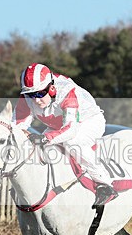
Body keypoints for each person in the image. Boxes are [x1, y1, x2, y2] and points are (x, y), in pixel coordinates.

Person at [12, 63, 118, 206]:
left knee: (72, 143)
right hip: (59, 125)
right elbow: (16, 129)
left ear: (51, 88)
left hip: (89, 120)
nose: (36, 100)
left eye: (39, 94)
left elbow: (70, 129)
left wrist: (44, 138)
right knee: (37, 149)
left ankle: (105, 184)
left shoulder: (66, 91)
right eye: (31, 95)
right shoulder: (27, 97)